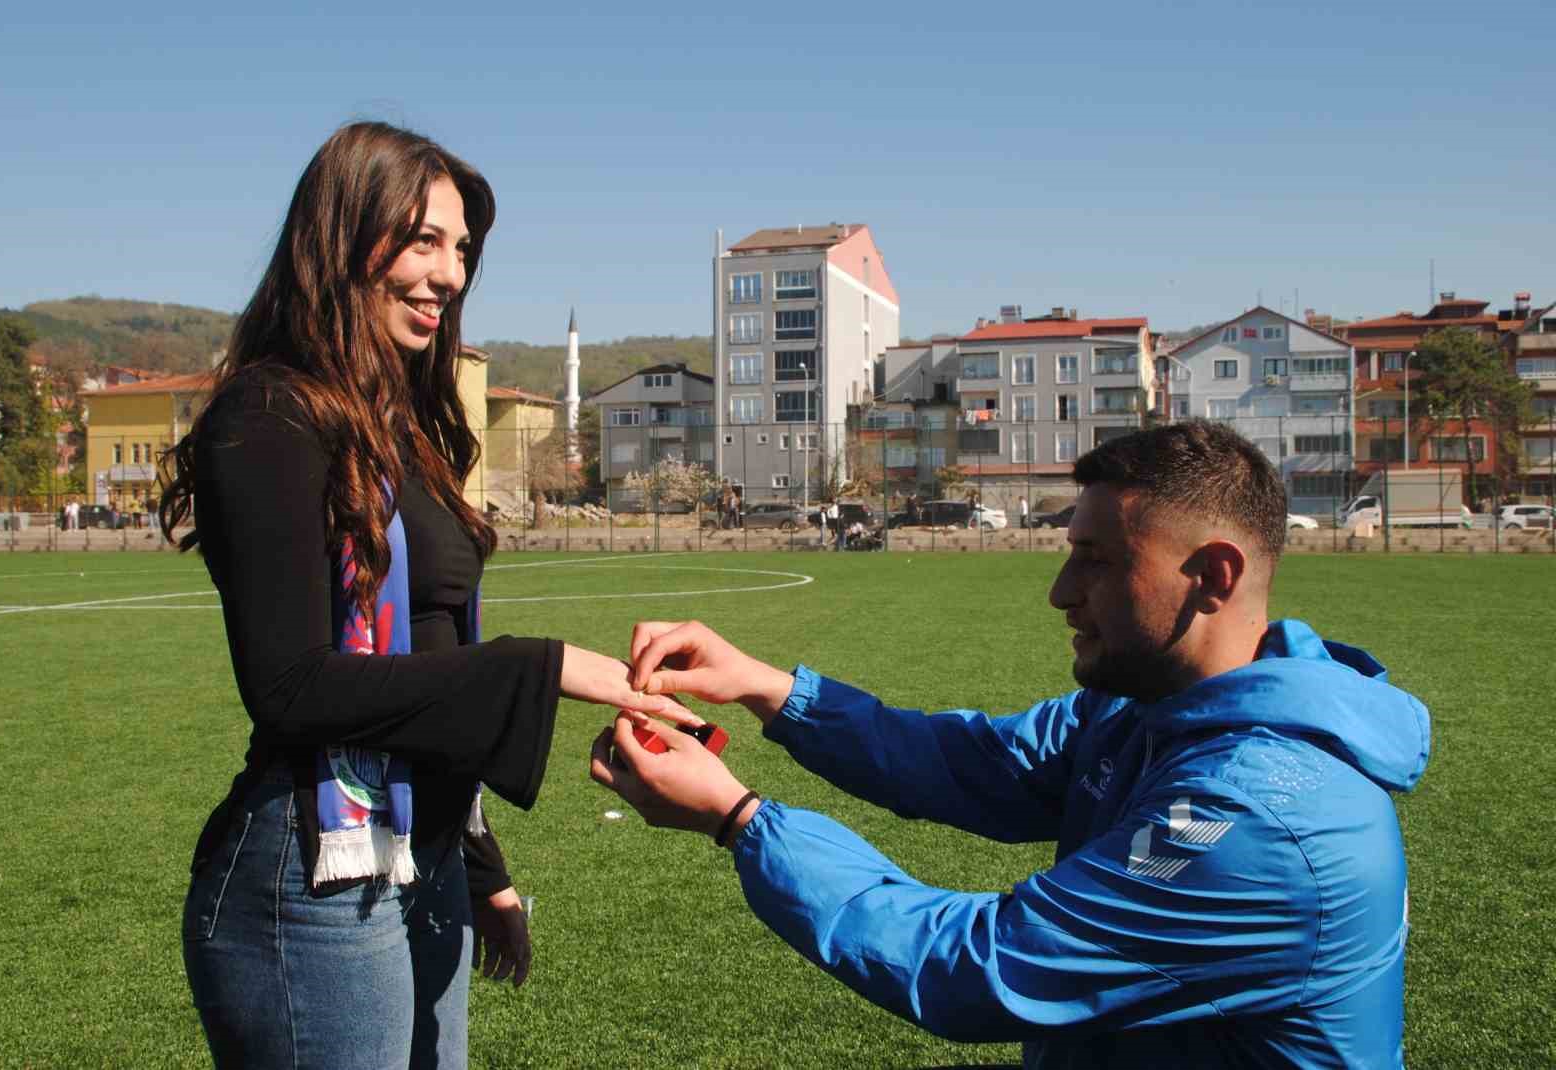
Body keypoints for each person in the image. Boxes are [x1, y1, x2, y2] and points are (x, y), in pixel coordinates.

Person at [592, 421, 1431, 1067]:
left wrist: (741, 821)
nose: (1062, 592)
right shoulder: (1142, 710)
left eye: (1096, 561)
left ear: (1212, 577)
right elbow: (970, 764)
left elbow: (981, 966)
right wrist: (768, 687)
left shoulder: (1252, 824)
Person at [159, 121, 689, 1070]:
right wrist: (540, 668)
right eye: (422, 241)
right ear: (342, 237)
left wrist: (480, 870)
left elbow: (431, 648)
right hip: (316, 873)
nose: (449, 273)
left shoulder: (400, 424)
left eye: (462, 251)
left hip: (425, 858)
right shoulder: (271, 413)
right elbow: (289, 686)